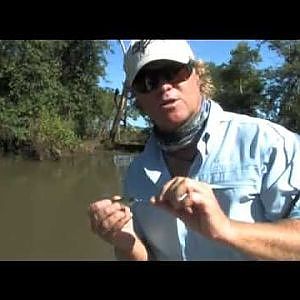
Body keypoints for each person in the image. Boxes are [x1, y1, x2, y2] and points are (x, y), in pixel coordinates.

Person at [88, 40, 300, 260]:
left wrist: (227, 230)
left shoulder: (269, 143)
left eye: (173, 72)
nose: (163, 86)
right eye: (147, 81)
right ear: (137, 97)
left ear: (197, 74)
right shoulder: (136, 174)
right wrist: (126, 244)